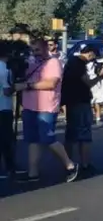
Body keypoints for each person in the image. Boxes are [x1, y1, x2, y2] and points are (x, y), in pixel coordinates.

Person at [15, 39, 79, 183]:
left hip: (46, 107)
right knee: (32, 140)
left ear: (45, 48)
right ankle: (33, 173)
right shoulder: (31, 62)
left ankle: (70, 165)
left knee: (47, 138)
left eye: (37, 50)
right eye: (32, 50)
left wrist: (27, 85)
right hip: (30, 106)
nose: (34, 53)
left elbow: (51, 83)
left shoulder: (53, 62)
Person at [62, 45, 103, 177]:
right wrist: (100, 77)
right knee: (84, 134)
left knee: (71, 134)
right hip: (80, 100)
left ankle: (68, 163)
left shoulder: (71, 62)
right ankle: (85, 164)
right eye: (93, 56)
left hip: (71, 101)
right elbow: (87, 83)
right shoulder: (78, 63)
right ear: (90, 54)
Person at [0, 43, 16, 178]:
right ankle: (9, 167)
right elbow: (6, 91)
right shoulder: (4, 69)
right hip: (3, 107)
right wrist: (16, 87)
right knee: (6, 139)